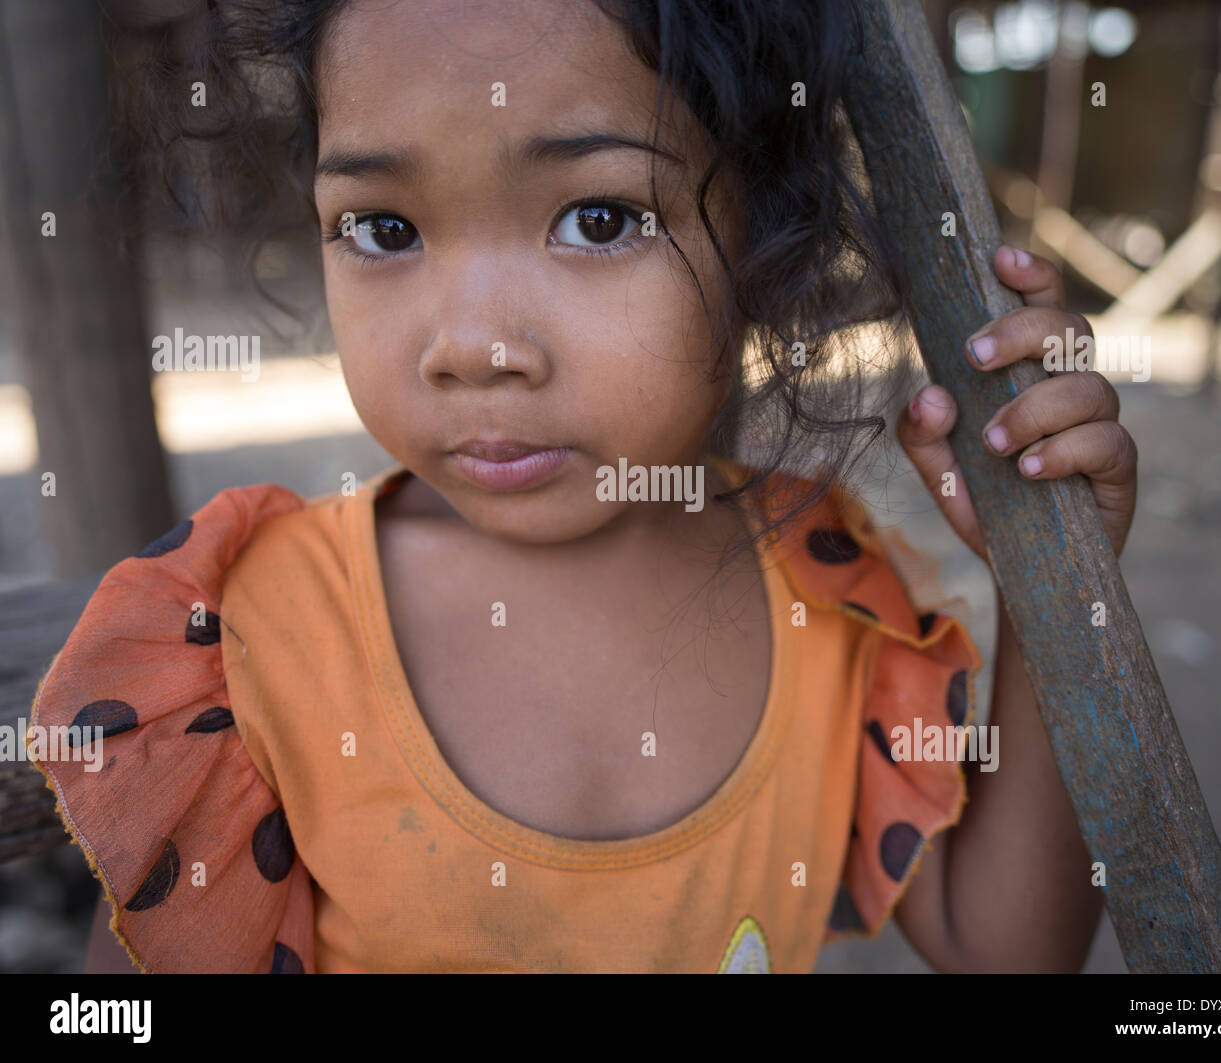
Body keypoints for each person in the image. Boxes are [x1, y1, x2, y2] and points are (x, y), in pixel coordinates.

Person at [34, 0, 1133, 973]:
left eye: (597, 219)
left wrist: (1048, 583)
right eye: (384, 228)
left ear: (763, 233)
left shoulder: (834, 599)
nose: (471, 345)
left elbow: (1010, 948)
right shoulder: (248, 639)